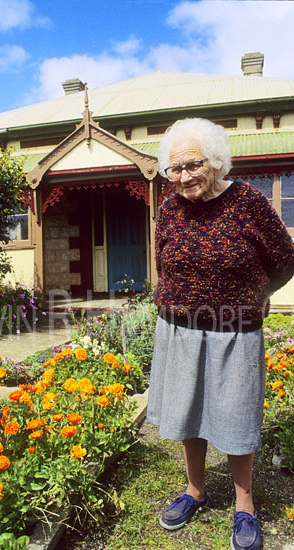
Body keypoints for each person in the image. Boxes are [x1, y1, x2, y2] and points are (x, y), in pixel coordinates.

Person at [146, 117, 294, 550]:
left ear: (214, 162)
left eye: (192, 165)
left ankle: (244, 504)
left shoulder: (247, 201)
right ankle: (195, 489)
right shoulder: (169, 207)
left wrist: (259, 291)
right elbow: (162, 257)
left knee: (235, 415)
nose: (183, 177)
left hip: (234, 328)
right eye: (174, 169)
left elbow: (286, 258)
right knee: (189, 411)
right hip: (179, 327)